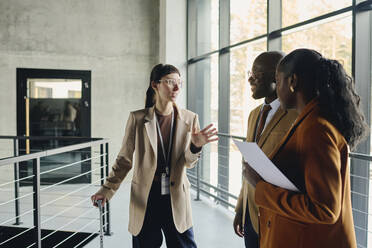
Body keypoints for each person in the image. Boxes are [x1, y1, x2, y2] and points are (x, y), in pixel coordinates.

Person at [244, 48, 368, 248]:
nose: (277, 88)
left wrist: (261, 187)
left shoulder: (316, 129)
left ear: (292, 82)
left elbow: (325, 210)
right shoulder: (310, 122)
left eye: (278, 79)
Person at [91, 64, 218, 248]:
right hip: (146, 196)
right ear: (154, 85)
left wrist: (195, 147)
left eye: (179, 83)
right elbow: (124, 159)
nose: (176, 88)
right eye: (169, 82)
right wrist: (107, 189)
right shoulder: (138, 119)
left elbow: (188, 163)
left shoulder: (190, 119)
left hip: (176, 197)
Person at [233, 51, 297, 248]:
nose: (250, 79)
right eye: (250, 73)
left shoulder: (296, 115)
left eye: (256, 73)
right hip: (251, 216)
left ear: (275, 77)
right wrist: (240, 208)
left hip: (277, 215)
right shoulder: (254, 115)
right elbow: (249, 166)